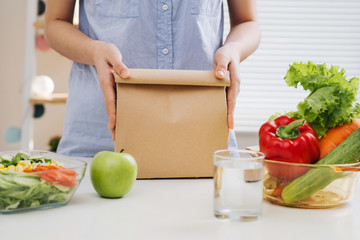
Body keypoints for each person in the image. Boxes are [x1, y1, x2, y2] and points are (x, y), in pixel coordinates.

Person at [44, 0, 261, 157]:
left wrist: (235, 48)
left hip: (202, 140)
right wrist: (94, 50)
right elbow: (55, 23)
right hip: (97, 143)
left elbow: (247, 22)